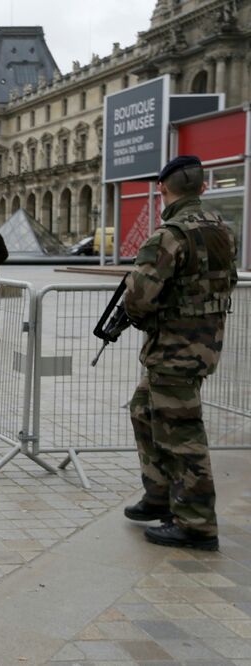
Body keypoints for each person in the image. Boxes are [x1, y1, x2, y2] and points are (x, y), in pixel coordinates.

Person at [123, 155, 238, 552]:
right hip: (203, 343)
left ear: (163, 189)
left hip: (174, 348)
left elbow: (138, 299)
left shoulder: (169, 236)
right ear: (203, 188)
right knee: (143, 408)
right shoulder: (223, 230)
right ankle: (159, 495)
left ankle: (196, 524)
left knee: (182, 434)